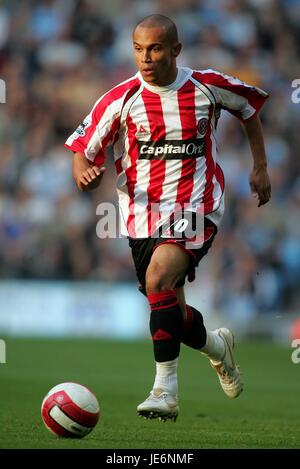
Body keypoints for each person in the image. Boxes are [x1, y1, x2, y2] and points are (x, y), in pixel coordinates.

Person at [65, 14, 271, 422]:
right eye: (139, 49)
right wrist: (83, 176)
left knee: (159, 278)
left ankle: (165, 392)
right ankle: (217, 348)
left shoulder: (207, 86)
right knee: (168, 309)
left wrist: (260, 167)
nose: (146, 57)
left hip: (197, 207)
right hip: (140, 217)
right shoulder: (119, 98)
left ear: (176, 49)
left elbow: (249, 108)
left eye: (156, 48)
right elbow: (83, 150)